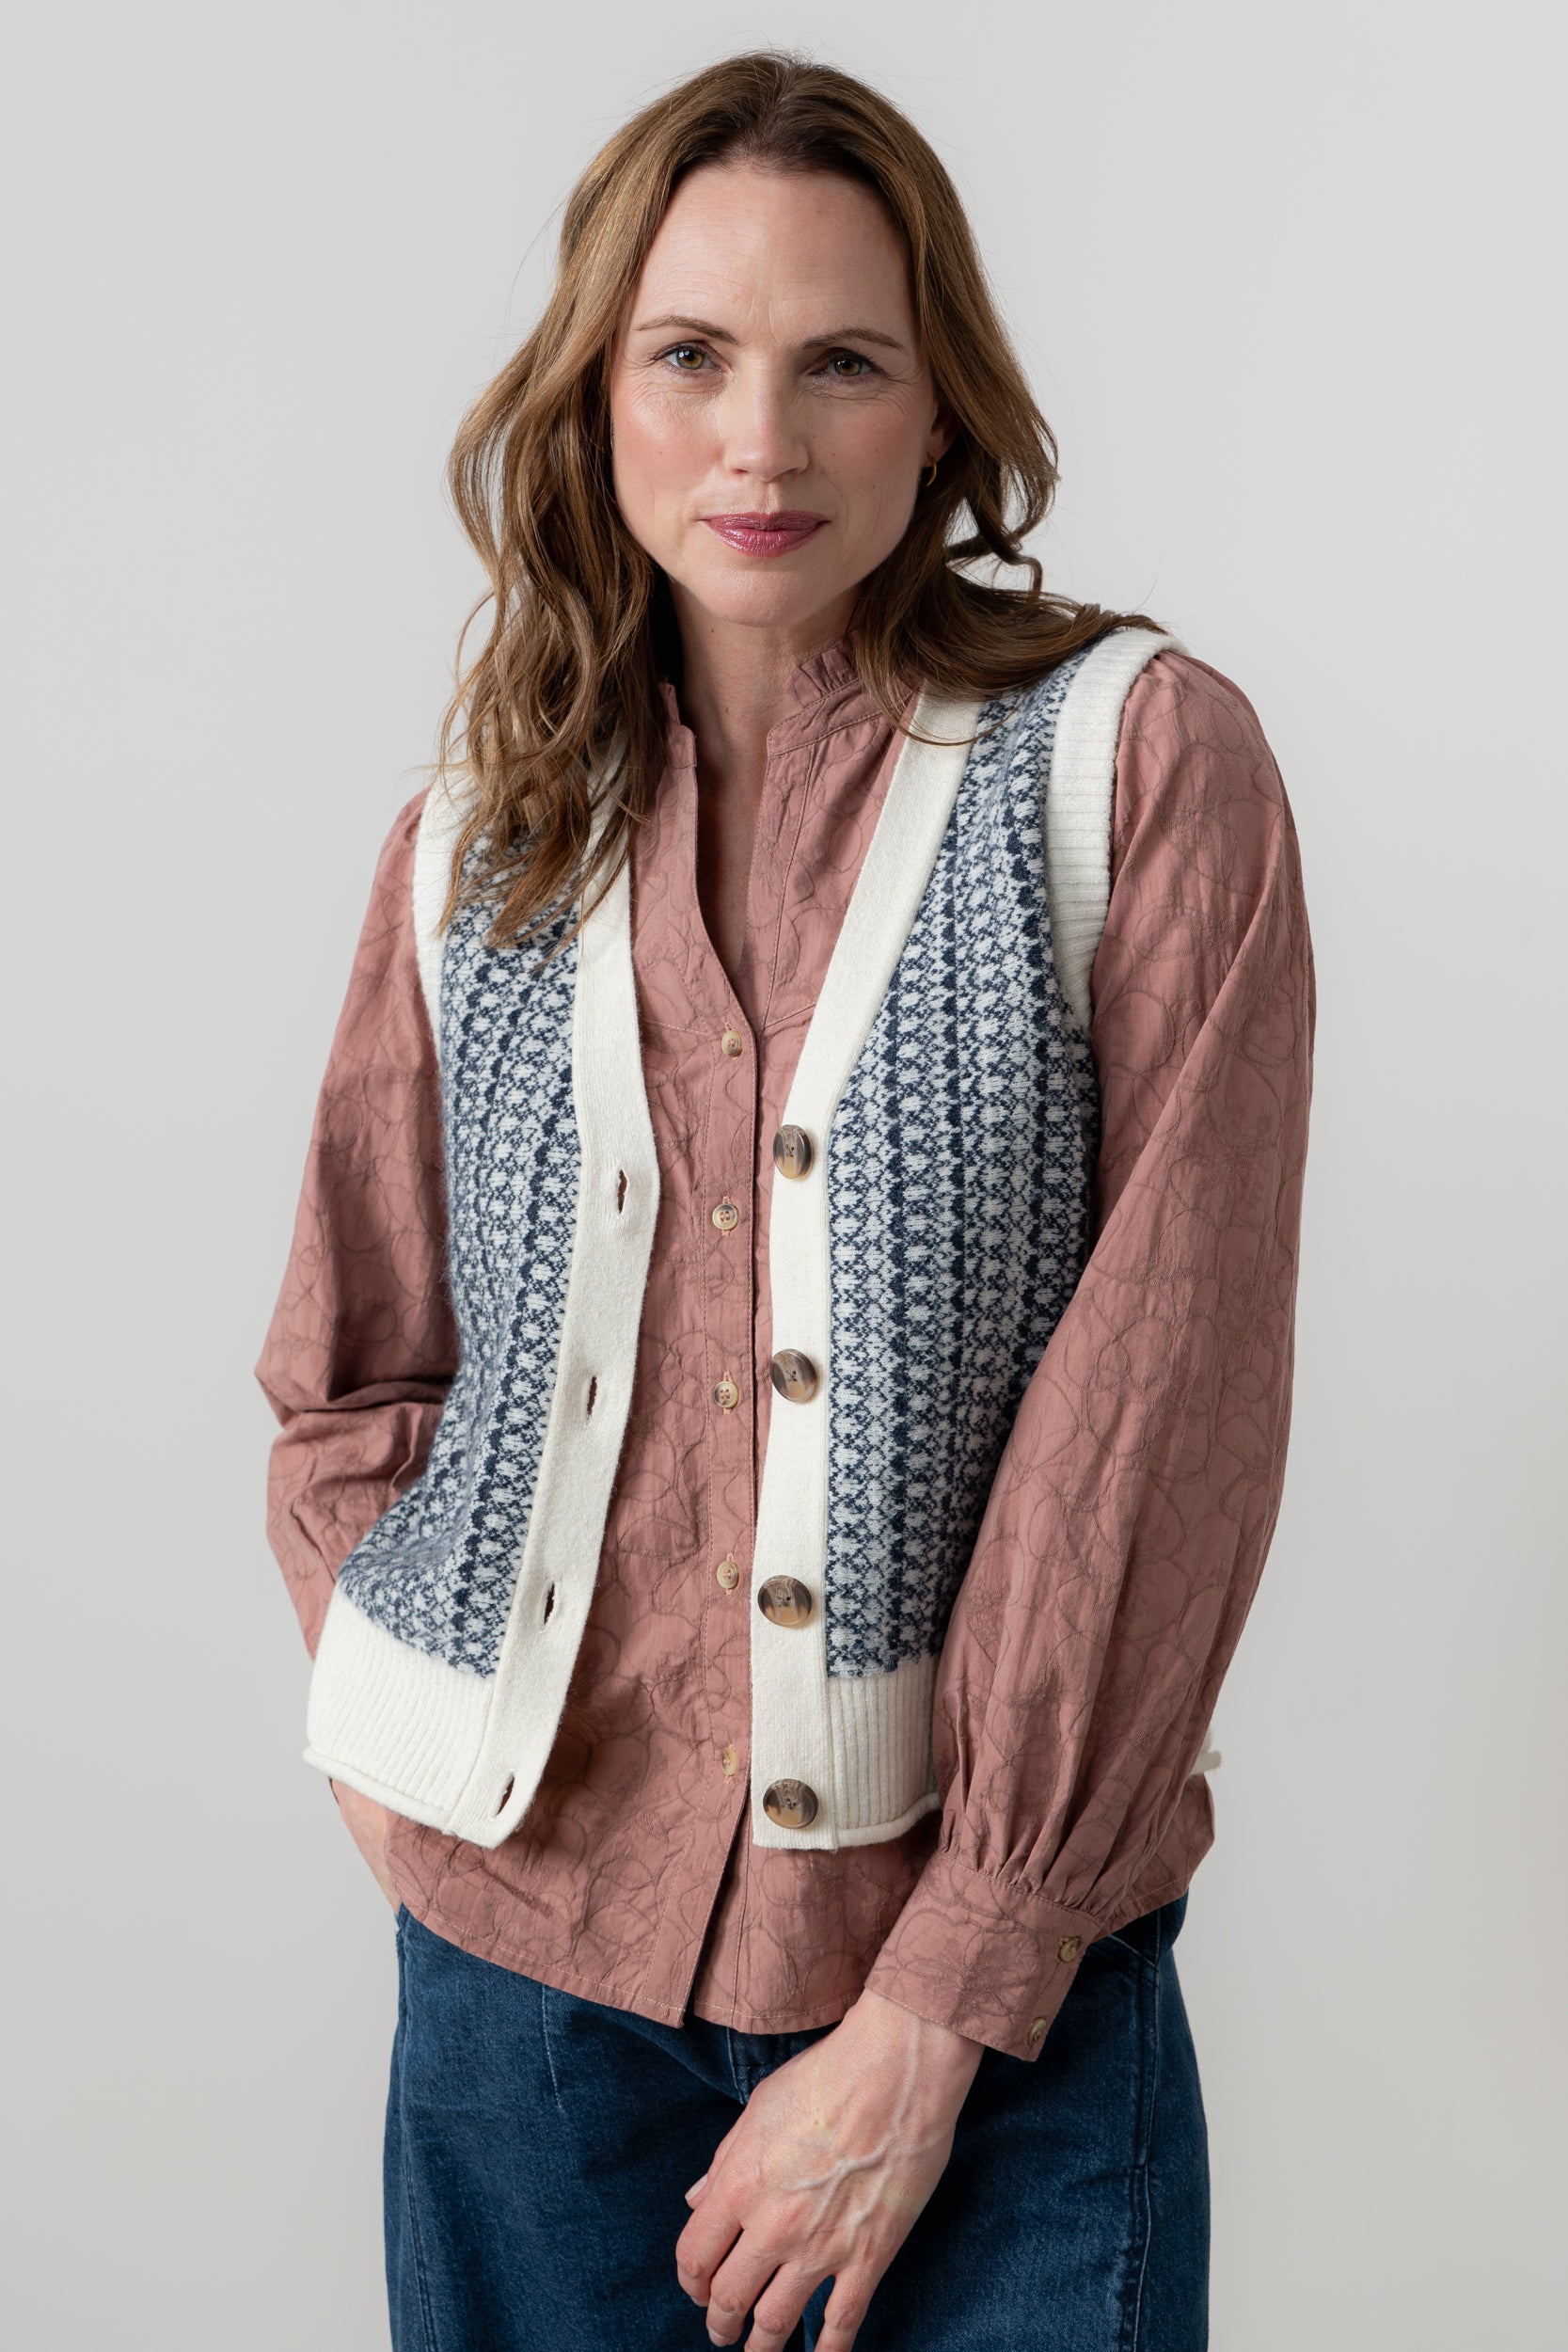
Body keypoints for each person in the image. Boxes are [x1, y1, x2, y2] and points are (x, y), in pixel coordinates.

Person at [255, 49, 1313, 2352]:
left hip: (999, 2025)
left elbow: (1163, 1416)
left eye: (842, 361)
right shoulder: (474, 843)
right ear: (594, 395)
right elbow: (353, 1383)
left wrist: (939, 2007)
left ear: (941, 409)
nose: (762, 441)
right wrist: (417, 1787)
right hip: (525, 2016)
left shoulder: (1133, 768)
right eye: (689, 356)